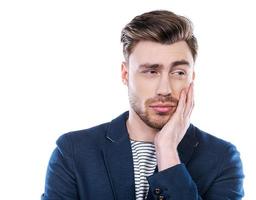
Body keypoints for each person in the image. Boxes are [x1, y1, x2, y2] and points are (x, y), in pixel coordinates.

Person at [41, 10, 244, 200]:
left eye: (178, 72)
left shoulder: (222, 159)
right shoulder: (73, 152)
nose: (164, 89)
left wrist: (167, 150)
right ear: (125, 74)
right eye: (151, 71)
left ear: (192, 78)